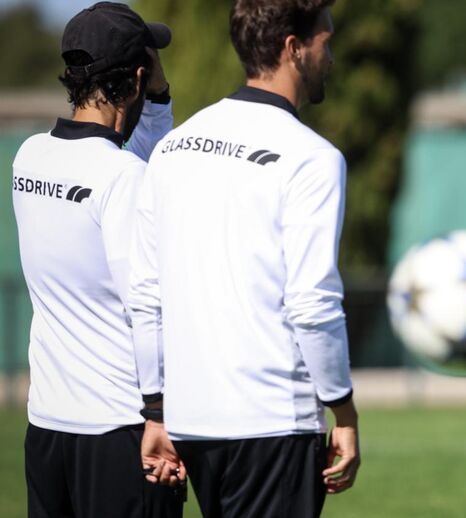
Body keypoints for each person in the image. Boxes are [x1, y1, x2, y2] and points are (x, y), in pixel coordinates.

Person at [127, 0, 359, 516]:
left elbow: (145, 294)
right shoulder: (314, 158)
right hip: (272, 423)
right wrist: (343, 413)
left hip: (191, 426)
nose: (333, 57)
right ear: (293, 49)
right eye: (327, 42)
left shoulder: (175, 146)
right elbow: (312, 303)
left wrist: (156, 411)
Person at [11, 2, 185, 517]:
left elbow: (121, 161)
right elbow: (145, 304)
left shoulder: (29, 157)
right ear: (135, 79)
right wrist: (159, 413)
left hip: (46, 428)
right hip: (120, 430)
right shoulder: (122, 178)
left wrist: (152, 99)